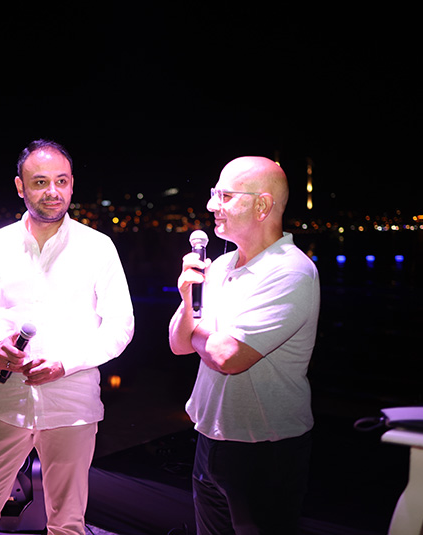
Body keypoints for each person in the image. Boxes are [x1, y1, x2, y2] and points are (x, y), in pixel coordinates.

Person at [0, 139, 135, 535]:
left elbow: (120, 326)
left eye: (61, 181)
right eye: (40, 182)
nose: (53, 191)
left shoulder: (98, 248)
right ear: (20, 186)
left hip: (72, 404)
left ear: (72, 184)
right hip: (3, 400)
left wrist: (64, 364)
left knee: (67, 524)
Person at [168, 156, 320, 535]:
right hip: (210, 437)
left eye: (225, 196)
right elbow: (177, 344)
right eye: (213, 193)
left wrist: (199, 330)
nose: (211, 205)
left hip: (265, 448)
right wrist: (188, 299)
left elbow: (228, 356)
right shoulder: (219, 266)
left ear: (262, 205)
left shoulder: (291, 271)